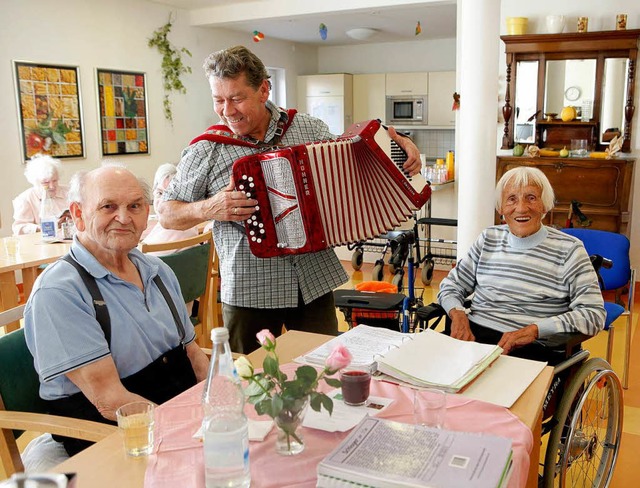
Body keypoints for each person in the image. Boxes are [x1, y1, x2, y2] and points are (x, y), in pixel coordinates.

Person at [157, 45, 422, 353]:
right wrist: (211, 207)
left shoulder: (308, 128)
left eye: (237, 98)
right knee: (251, 380)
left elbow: (356, 151)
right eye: (219, 100)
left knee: (323, 372)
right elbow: (165, 212)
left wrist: (400, 143)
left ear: (263, 90)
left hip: (313, 281)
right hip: (250, 291)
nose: (227, 110)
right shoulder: (207, 149)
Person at [23, 165, 209, 467]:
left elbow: (193, 354)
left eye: (134, 206)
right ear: (79, 214)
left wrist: (224, 405)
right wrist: (189, 434)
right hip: (115, 433)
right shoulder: (59, 292)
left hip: (176, 412)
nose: (124, 218)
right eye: (108, 206)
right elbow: (108, 400)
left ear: (146, 212)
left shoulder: (157, 271)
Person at [437, 166, 605, 362]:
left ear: (545, 205)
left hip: (533, 347)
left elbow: (593, 314)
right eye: (512, 199)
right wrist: (458, 315)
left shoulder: (570, 249)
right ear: (501, 209)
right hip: (474, 338)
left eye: (531, 197)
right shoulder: (488, 238)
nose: (522, 208)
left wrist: (536, 330)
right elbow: (451, 286)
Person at [140, 162, 199, 253]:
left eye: (170, 196)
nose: (162, 202)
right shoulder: (192, 227)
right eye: (159, 193)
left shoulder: (171, 233)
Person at [12, 154, 69, 235]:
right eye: (46, 183)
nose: (52, 186)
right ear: (35, 182)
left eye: (55, 181)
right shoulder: (25, 199)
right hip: (41, 244)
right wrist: (44, 227)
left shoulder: (69, 192)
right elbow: (18, 228)